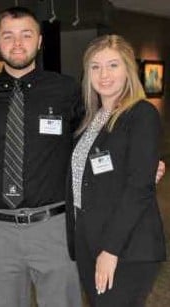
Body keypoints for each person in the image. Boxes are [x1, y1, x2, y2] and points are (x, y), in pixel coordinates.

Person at [0, 7, 83, 307]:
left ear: (40, 41)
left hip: (54, 228)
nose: (17, 43)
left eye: (26, 35)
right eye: (8, 35)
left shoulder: (66, 90)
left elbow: (92, 141)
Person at [66, 34, 166, 307]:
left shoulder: (141, 114)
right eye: (95, 67)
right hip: (89, 240)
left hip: (125, 247)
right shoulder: (91, 119)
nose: (104, 74)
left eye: (113, 65)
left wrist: (111, 250)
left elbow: (138, 188)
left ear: (128, 70)